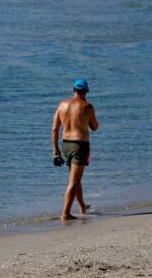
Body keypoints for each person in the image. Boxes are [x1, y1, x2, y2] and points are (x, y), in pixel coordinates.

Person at [52, 78, 98, 221]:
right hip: (80, 146)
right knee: (73, 181)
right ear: (86, 92)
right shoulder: (87, 107)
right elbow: (94, 127)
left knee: (76, 179)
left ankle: (82, 207)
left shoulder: (61, 105)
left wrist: (55, 151)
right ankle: (65, 214)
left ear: (73, 90)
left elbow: (54, 129)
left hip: (66, 145)